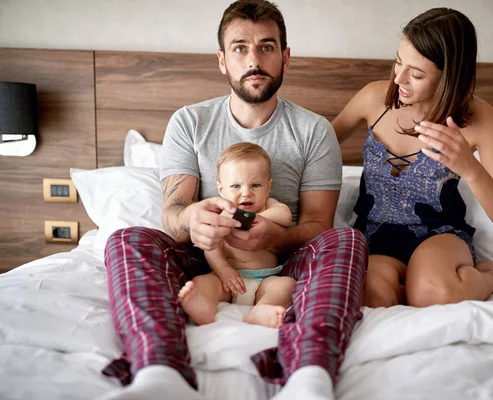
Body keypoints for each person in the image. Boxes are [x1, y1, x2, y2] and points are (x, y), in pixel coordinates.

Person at [100, 1, 368, 400]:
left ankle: (309, 374)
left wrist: (272, 237)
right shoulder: (189, 123)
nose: (254, 59)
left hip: (283, 261)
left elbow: (318, 226)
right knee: (126, 239)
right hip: (204, 256)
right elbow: (172, 214)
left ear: (286, 58)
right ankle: (160, 370)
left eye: (267, 47)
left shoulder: (314, 131)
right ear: (223, 60)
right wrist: (193, 217)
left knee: (347, 240)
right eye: (240, 48)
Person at [332, 7, 493, 309]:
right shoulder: (373, 98)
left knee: (431, 294)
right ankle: (414, 278)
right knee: (373, 298)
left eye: (416, 74)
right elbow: (318, 147)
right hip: (375, 234)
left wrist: (470, 169)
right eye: (398, 62)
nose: (400, 78)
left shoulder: (480, 119)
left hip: (439, 235)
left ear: (450, 78)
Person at [177, 142, 296, 329]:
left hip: (264, 280)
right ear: (221, 189)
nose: (246, 193)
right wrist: (223, 271)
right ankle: (203, 307)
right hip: (227, 280)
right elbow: (212, 247)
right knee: (203, 282)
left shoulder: (270, 207)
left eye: (256, 185)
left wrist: (250, 219)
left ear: (268, 187)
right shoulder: (220, 217)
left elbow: (285, 216)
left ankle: (263, 310)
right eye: (236, 186)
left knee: (286, 285)